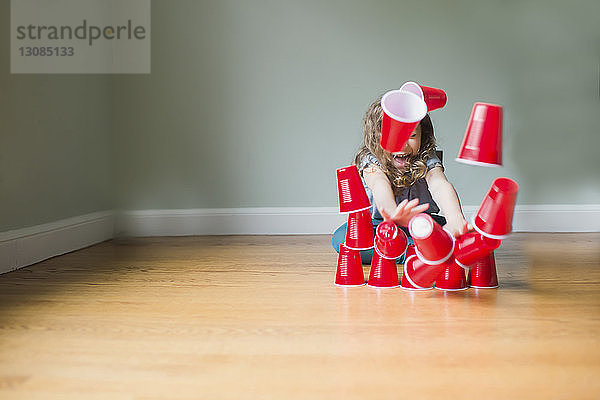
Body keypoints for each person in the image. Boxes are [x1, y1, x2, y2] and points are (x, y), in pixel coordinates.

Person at [332, 93, 470, 264]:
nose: (403, 145)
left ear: (422, 136)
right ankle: (416, 253)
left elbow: (440, 185)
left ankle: (412, 250)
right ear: (377, 137)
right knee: (343, 239)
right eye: (394, 136)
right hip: (379, 225)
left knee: (452, 234)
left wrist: (455, 218)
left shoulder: (426, 157)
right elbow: (379, 184)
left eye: (412, 136)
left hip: (421, 223)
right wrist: (393, 214)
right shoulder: (371, 159)